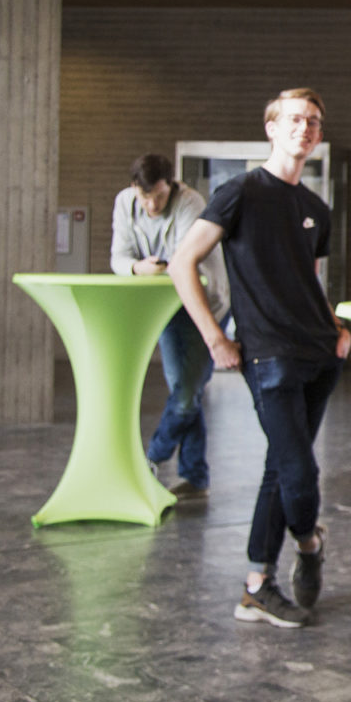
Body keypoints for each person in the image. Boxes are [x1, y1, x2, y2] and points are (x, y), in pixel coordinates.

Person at [168, 88, 351, 629]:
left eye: (313, 121)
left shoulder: (316, 210)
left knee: (280, 466)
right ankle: (310, 543)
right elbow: (182, 263)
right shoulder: (239, 192)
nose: (304, 128)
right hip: (267, 356)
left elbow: (308, 280)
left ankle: (256, 585)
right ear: (271, 127)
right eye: (294, 119)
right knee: (298, 471)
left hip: (319, 354)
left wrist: (336, 327)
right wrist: (215, 339)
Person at [110, 152, 228, 498]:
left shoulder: (191, 203)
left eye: (159, 196)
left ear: (171, 186)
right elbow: (119, 256)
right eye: (145, 196)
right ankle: (195, 477)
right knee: (186, 391)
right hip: (168, 307)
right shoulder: (125, 202)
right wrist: (136, 268)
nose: (152, 205)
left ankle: (150, 457)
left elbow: (181, 262)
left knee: (187, 393)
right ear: (134, 188)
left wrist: (151, 268)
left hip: (204, 305)